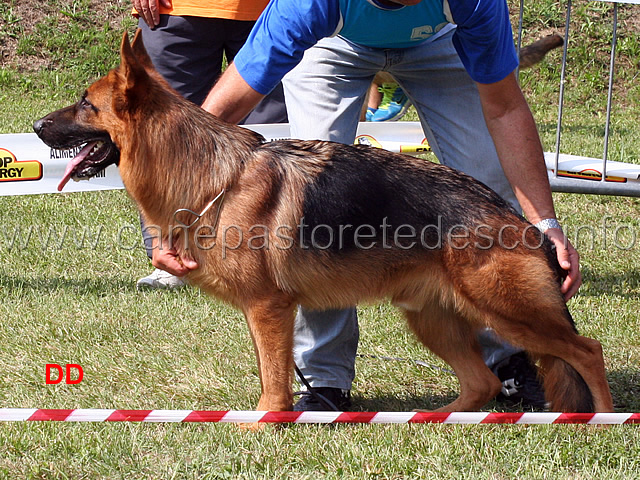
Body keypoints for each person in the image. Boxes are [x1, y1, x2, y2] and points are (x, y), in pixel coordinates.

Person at [152, 0, 582, 411]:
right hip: (332, 44)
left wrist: (544, 222)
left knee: (486, 188)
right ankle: (323, 379)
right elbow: (220, 113)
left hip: (442, 42)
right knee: (313, 209)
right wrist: (177, 223)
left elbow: (505, 108)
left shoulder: (472, 2)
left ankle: (507, 360)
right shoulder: (308, 5)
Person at [132, 0, 288, 290]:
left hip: (277, 11)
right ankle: (174, 258)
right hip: (177, 9)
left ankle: (267, 254)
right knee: (163, 132)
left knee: (271, 146)